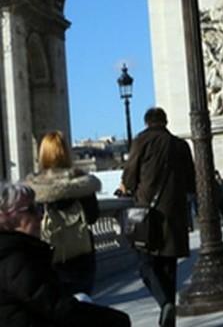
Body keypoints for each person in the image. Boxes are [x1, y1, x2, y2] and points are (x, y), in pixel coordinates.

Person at [0, 181, 131, 326]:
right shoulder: (12, 256)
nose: (40, 216)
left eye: (39, 208)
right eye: (30, 209)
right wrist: (113, 319)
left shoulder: (16, 249)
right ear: (4, 215)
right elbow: (54, 306)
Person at [120, 107, 195, 327]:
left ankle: (164, 304)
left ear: (146, 122)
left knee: (146, 264)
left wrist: (129, 187)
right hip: (174, 214)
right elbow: (191, 181)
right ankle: (168, 315)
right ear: (165, 121)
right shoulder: (181, 145)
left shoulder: (141, 141)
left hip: (147, 214)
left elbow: (130, 176)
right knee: (169, 267)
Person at [26, 131, 101, 296]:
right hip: (81, 255)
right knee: (82, 304)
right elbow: (93, 216)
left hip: (49, 256)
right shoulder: (82, 183)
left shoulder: (34, 188)